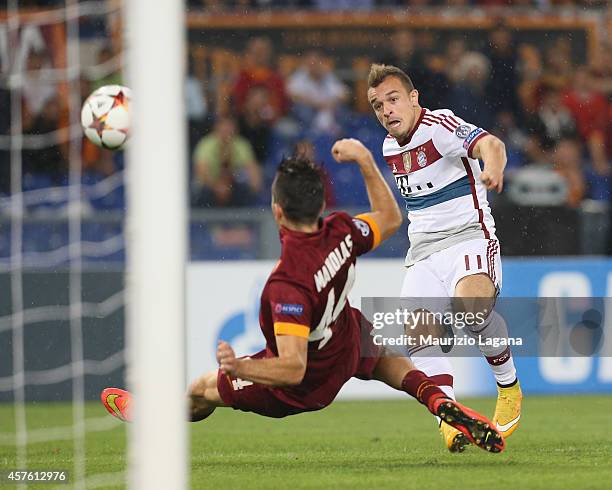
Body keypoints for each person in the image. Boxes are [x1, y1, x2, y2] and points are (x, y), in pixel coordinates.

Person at [101, 143, 505, 454]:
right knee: (387, 362)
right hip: (347, 339)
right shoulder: (342, 229)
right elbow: (391, 218)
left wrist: (240, 365)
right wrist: (365, 160)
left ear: (277, 213)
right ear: (322, 204)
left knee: (201, 388)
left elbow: (293, 369)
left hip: (309, 383)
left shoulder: (287, 284)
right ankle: (440, 403)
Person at [366, 64, 522, 452]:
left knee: (471, 308)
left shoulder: (441, 126)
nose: (386, 110)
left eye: (393, 99)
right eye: (377, 105)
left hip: (469, 236)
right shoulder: (389, 147)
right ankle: (448, 417)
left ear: (414, 98)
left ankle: (508, 386)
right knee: (417, 332)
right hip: (423, 250)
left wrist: (494, 169)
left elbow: (493, 145)